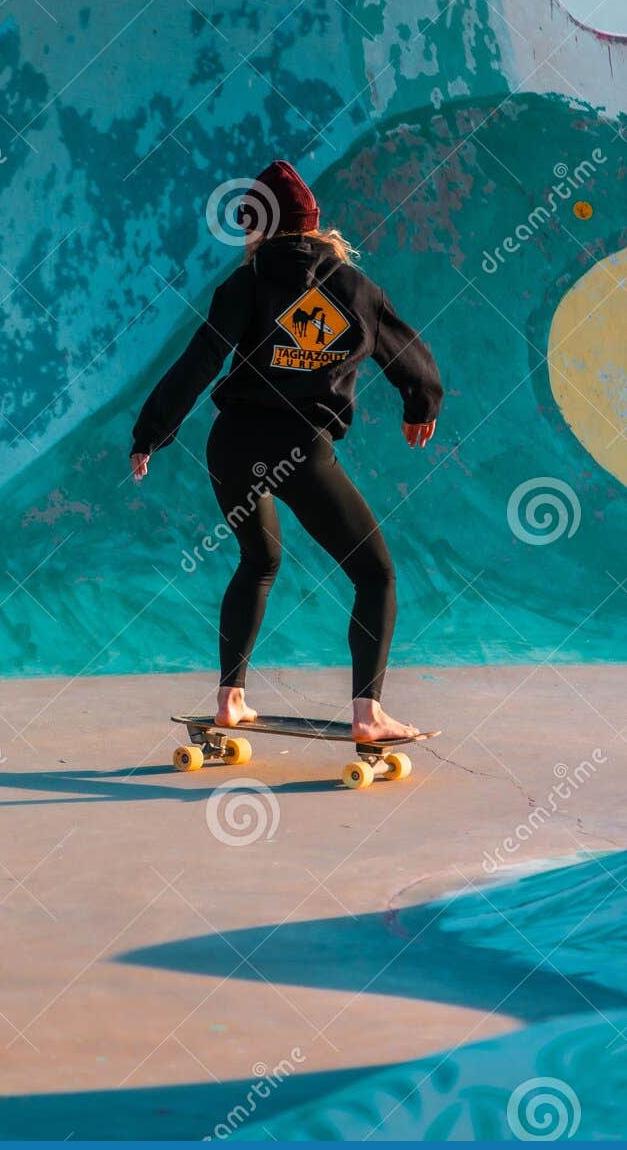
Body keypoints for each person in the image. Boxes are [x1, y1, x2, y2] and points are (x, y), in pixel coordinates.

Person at [130, 160, 443, 743]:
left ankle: (230, 700)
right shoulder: (355, 289)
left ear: (260, 228)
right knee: (374, 574)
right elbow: (408, 353)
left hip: (232, 446)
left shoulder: (244, 285)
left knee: (258, 561)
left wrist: (152, 433)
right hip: (301, 451)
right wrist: (420, 403)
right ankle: (368, 716)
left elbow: (200, 359)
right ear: (314, 224)